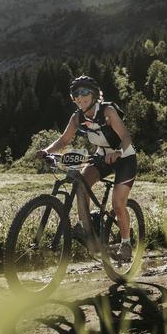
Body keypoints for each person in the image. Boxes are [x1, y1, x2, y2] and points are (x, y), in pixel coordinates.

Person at [36, 75, 136, 261]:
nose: (79, 97)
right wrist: (47, 150)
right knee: (81, 183)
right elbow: (64, 140)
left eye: (84, 93)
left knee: (117, 203)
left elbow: (126, 138)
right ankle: (86, 228)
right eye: (76, 94)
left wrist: (117, 153)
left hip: (125, 157)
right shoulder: (77, 117)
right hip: (101, 155)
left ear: (94, 95)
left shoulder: (108, 111)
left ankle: (126, 243)